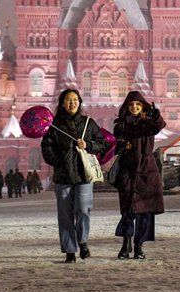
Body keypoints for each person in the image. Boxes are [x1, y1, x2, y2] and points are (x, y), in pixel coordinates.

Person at [41, 89, 107, 263]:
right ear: (62, 103)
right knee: (65, 214)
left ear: (80, 102)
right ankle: (70, 250)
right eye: (69, 100)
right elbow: (46, 148)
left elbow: (102, 143)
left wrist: (89, 144)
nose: (72, 103)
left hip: (84, 175)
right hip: (63, 177)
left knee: (83, 210)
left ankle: (83, 241)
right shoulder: (54, 126)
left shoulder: (88, 123)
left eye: (75, 100)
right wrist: (60, 162)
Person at [112, 91, 166, 260]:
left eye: (137, 104)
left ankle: (139, 246)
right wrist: (121, 145)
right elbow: (114, 144)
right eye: (131, 105)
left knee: (144, 210)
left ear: (142, 106)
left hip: (146, 169)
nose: (134, 107)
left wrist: (156, 116)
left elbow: (158, 126)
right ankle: (126, 244)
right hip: (128, 169)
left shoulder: (148, 123)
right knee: (127, 208)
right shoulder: (121, 125)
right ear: (127, 107)